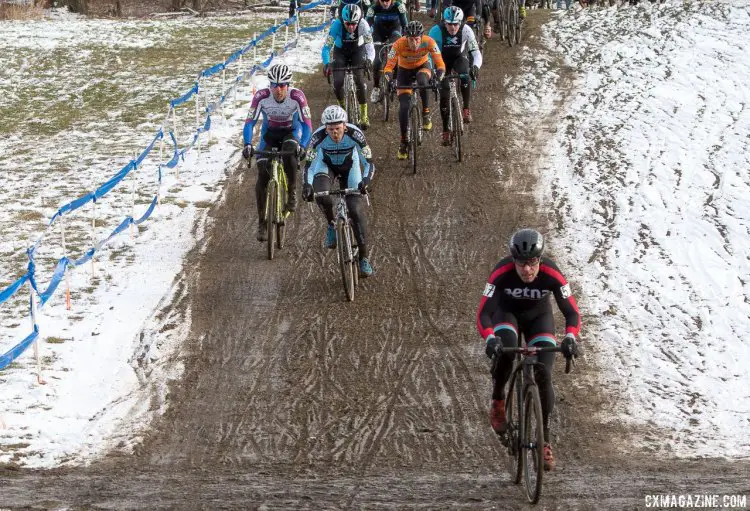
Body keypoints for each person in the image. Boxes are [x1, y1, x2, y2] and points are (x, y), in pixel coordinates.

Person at [476, 228, 581, 472]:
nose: (527, 270)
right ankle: (498, 400)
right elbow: (484, 312)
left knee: (544, 374)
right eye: (521, 264)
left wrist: (570, 338)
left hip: (539, 319)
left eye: (532, 263)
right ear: (514, 261)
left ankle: (544, 440)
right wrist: (490, 338)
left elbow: (572, 312)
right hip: (507, 315)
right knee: (506, 349)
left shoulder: (552, 273)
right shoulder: (501, 273)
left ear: (540, 260)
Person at [302, 105, 375, 277]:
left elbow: (369, 162)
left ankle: (364, 258)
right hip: (326, 166)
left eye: (338, 128)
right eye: (330, 129)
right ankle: (331, 224)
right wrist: (307, 185)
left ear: (345, 125)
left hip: (351, 166)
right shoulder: (317, 138)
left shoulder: (355, 134)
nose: (334, 133)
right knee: (323, 197)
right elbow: (308, 167)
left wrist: (365, 181)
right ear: (325, 128)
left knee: (356, 210)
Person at [243, 64, 312, 242]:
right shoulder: (261, 97)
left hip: (291, 132)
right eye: (274, 85)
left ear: (288, 85)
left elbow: (307, 125)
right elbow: (249, 122)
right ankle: (262, 223)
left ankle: (291, 192)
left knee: (290, 153)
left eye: (282, 85)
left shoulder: (297, 96)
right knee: (262, 175)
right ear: (270, 85)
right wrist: (248, 144)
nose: (279, 89)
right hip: (270, 134)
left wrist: (303, 145)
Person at [383, 20, 445, 160]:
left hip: (422, 66)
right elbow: (388, 67)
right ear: (406, 37)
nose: (414, 43)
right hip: (404, 71)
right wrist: (390, 80)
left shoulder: (429, 42)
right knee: (404, 107)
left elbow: (440, 63)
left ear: (421, 37)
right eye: (411, 40)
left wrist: (438, 78)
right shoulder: (398, 44)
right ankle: (403, 141)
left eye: (417, 39)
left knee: (423, 81)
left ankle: (426, 113)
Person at [428, 6, 482, 146]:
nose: (452, 28)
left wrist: (475, 67)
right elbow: (427, 55)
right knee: (444, 97)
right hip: (441, 62)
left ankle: (466, 108)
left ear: (460, 23)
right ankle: (446, 130)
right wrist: (432, 72)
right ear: (444, 23)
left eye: (455, 24)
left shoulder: (466, 30)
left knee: (465, 74)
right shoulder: (436, 31)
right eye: (449, 24)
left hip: (459, 58)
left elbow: (476, 53)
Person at [322, 4, 376, 129]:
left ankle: (364, 114)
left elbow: (370, 46)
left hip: (358, 51)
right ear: (343, 21)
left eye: (353, 24)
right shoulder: (336, 24)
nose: (351, 27)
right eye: (348, 24)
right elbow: (326, 48)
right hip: (340, 52)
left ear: (358, 21)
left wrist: (369, 59)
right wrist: (326, 63)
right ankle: (342, 109)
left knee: (359, 81)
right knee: (338, 82)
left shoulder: (363, 24)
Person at [365, 0, 408, 103]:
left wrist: (406, 38)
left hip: (395, 30)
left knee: (396, 56)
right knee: (377, 62)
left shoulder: (399, 6)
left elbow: (405, 25)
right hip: (378, 32)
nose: (385, 3)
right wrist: (367, 38)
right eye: (382, 1)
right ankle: (376, 88)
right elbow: (367, 25)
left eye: (387, 1)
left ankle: (395, 80)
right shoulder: (373, 8)